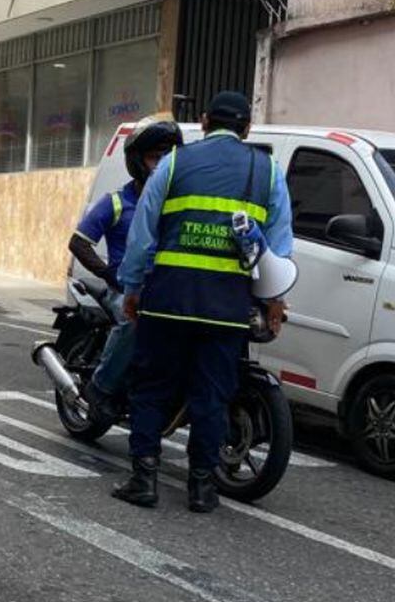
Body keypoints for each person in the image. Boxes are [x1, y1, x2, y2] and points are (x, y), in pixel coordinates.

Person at [114, 90, 294, 513]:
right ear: (247, 128)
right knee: (212, 395)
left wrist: (132, 288)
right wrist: (275, 301)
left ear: (204, 120)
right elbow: (280, 246)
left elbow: (143, 234)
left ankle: (144, 479)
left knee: (152, 388)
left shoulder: (173, 163)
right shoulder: (268, 172)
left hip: (168, 299)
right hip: (227, 308)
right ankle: (201, 488)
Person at [69, 116, 184, 421]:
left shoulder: (181, 202)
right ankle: (101, 387)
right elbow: (78, 243)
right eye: (154, 157)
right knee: (133, 322)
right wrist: (109, 274)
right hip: (123, 289)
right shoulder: (117, 201)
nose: (162, 165)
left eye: (168, 157)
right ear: (137, 161)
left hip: (165, 289)